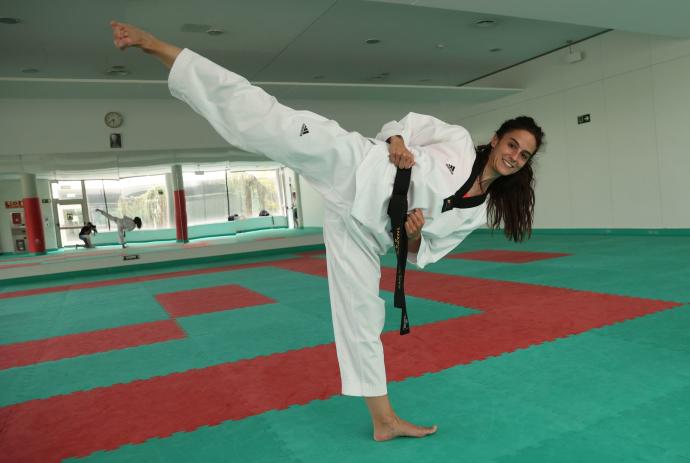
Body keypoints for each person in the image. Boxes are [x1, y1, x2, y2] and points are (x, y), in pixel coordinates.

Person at [110, 21, 544, 441]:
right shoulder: (458, 142)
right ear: (497, 137)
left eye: (523, 155)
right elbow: (405, 126)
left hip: (362, 232)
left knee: (362, 319)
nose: (514, 156)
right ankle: (160, 49)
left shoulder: (477, 212)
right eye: (512, 145)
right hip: (356, 164)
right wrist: (395, 140)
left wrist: (413, 232)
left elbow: (421, 251)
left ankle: (384, 420)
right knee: (268, 119)